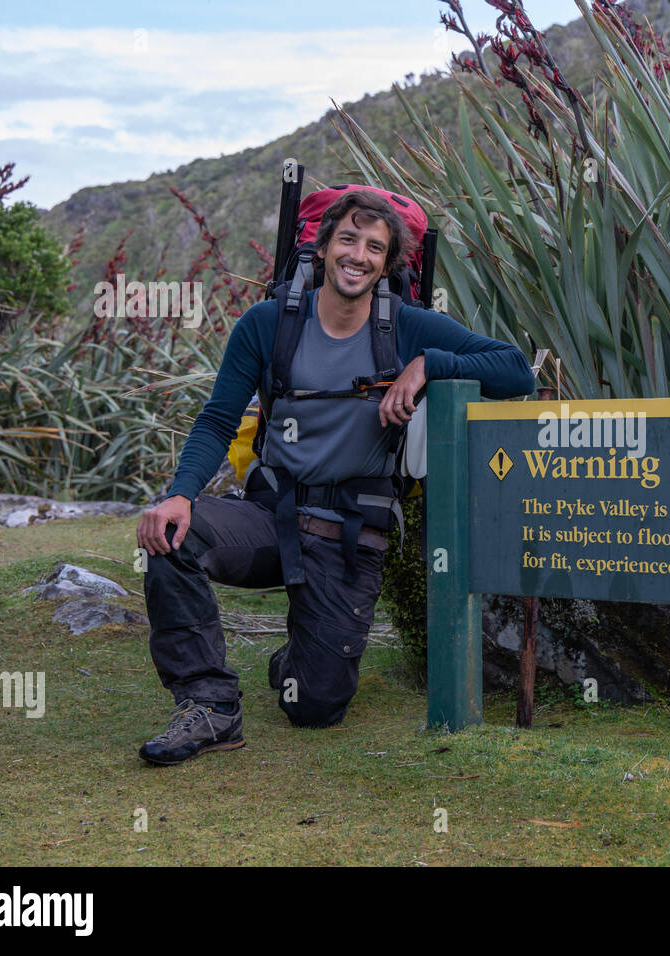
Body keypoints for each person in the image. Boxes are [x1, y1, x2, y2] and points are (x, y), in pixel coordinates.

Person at [134, 191, 534, 764]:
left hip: (349, 531)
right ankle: (210, 706)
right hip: (270, 518)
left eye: (375, 247)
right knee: (170, 535)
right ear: (322, 247)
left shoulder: (409, 327)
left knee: (314, 707)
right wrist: (180, 495)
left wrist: (428, 364)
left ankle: (300, 655)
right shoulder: (268, 323)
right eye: (348, 238)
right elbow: (219, 418)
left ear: (388, 262)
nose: (359, 255)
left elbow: (515, 369)